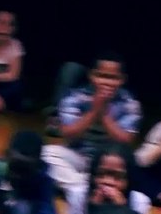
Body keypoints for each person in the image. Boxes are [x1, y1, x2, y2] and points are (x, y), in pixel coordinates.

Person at [42, 51, 142, 195]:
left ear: (122, 80)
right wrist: (94, 111)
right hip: (80, 156)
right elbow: (69, 134)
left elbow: (125, 141)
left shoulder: (129, 103)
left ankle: (82, 188)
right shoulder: (75, 97)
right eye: (101, 76)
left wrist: (104, 115)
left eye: (113, 78)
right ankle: (88, 186)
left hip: (111, 163)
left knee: (138, 163)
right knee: (46, 154)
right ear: (91, 75)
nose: (107, 82)